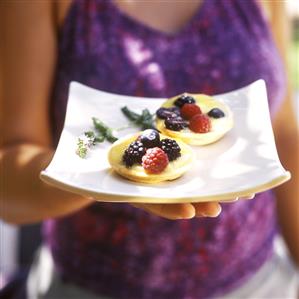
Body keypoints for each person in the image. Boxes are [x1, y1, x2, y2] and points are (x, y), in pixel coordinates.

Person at [0, 0, 298, 298]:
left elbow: (282, 134)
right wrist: (92, 176)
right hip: (92, 288)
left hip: (259, 282)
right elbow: (8, 184)